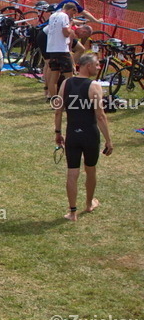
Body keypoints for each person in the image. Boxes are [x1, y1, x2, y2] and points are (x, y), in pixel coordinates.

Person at [54, 53, 113, 221]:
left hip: (72, 134)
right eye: (97, 65)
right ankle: (88, 204)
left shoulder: (65, 83)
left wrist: (58, 132)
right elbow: (100, 115)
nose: (99, 67)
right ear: (88, 66)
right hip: (90, 135)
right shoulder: (94, 86)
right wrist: (108, 140)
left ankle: (72, 212)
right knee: (90, 170)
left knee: (72, 172)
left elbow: (58, 111)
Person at [44, 2, 77, 100]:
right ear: (71, 10)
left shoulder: (53, 15)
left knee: (54, 77)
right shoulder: (65, 16)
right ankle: (70, 99)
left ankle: (54, 99)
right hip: (62, 49)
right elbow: (66, 33)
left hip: (52, 49)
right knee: (69, 77)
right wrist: (71, 24)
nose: (72, 16)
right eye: (73, 13)